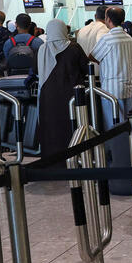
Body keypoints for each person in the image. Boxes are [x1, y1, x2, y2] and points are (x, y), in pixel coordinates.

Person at [36, 19, 87, 161]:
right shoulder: (73, 47)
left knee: (51, 127)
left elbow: (36, 70)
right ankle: (74, 157)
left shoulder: (42, 49)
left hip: (48, 95)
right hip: (71, 94)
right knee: (71, 126)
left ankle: (51, 159)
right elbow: (85, 68)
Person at [88, 6, 132, 127]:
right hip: (127, 88)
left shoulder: (107, 38)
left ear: (108, 19)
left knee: (112, 126)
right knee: (127, 124)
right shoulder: (129, 38)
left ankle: (115, 146)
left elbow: (92, 56)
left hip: (111, 90)